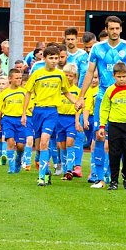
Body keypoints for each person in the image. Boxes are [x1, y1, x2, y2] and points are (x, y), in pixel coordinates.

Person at [77, 16, 126, 185]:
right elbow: (90, 73)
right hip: (103, 97)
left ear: (121, 29)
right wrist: (81, 95)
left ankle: (125, 173)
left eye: (117, 28)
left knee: (123, 141)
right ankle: (98, 176)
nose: (114, 31)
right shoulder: (97, 48)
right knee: (99, 136)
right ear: (107, 29)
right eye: (111, 28)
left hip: (123, 102)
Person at [22, 45, 77, 186]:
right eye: (51, 58)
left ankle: (41, 178)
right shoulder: (36, 73)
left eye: (56, 58)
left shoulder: (60, 75)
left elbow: (66, 92)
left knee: (45, 141)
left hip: (52, 112)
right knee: (39, 145)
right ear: (44, 58)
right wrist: (24, 113)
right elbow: (27, 92)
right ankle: (46, 172)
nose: (54, 61)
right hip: (37, 111)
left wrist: (76, 102)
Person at [99, 62, 126, 190]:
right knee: (114, 153)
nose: (122, 79)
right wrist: (102, 126)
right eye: (119, 77)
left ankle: (125, 172)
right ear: (114, 76)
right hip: (114, 126)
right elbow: (104, 109)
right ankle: (114, 181)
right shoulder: (110, 90)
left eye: (124, 76)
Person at [0, 68, 34, 174]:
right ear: (10, 79)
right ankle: (11, 168)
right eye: (17, 78)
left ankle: (18, 161)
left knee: (21, 146)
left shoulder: (24, 92)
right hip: (8, 120)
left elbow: (29, 107)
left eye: (20, 78)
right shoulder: (4, 93)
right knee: (10, 142)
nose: (19, 80)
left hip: (20, 120)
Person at [55, 63, 83, 179]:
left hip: (71, 119)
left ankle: (69, 170)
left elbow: (79, 107)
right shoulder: (59, 89)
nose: (68, 78)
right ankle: (65, 166)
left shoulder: (77, 91)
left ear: (75, 77)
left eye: (70, 76)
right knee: (62, 145)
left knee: (70, 142)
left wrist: (77, 121)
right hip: (59, 119)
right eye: (65, 75)